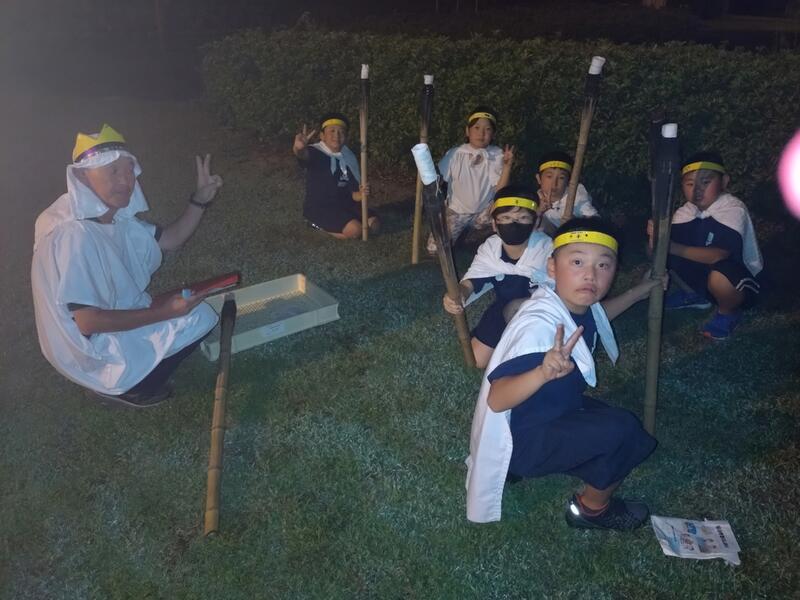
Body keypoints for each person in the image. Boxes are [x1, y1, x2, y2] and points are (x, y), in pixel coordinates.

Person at [466, 217, 662, 529]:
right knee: (625, 431)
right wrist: (542, 372)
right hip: (524, 441)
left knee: (610, 423)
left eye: (603, 265)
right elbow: (497, 399)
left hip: (545, 414)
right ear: (552, 267)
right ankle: (591, 511)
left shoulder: (564, 302)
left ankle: (556, 465)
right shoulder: (540, 327)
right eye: (578, 262)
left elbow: (598, 317)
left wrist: (640, 292)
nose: (590, 275)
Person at [31, 124, 222, 407]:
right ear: (83, 177)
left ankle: (122, 373)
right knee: (200, 318)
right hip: (88, 349)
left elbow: (171, 238)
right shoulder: (75, 234)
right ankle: (131, 388)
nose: (126, 180)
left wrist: (200, 200)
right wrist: (165, 312)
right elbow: (88, 322)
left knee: (188, 310)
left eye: (129, 169)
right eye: (112, 171)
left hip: (99, 329)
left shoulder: (114, 218)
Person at [650, 151, 764, 340]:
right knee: (666, 255)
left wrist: (670, 247)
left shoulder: (732, 208)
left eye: (705, 182)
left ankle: (728, 312)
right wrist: (655, 237)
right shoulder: (686, 212)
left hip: (740, 281)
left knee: (720, 274)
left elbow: (718, 255)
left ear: (724, 182)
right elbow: (659, 251)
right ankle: (694, 295)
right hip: (706, 277)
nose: (697, 190)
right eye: (690, 184)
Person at [443, 185, 553, 369]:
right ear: (494, 224)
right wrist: (459, 293)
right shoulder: (491, 248)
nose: (514, 224)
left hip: (541, 313)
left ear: (535, 223)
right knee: (477, 360)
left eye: (523, 218)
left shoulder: (547, 250)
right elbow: (473, 280)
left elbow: (559, 292)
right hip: (503, 306)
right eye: (506, 218)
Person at [426, 106, 514, 253]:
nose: (481, 133)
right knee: (434, 249)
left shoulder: (496, 155)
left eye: (487, 129)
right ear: (467, 131)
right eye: (477, 128)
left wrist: (507, 167)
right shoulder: (455, 154)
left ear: (493, 134)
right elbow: (437, 180)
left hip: (485, 211)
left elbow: (501, 191)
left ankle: (478, 236)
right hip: (457, 211)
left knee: (508, 218)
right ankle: (461, 234)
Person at [293, 113, 378, 239]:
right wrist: (298, 148)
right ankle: (316, 225)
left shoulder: (348, 157)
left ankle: (350, 226)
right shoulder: (315, 152)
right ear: (322, 136)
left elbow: (353, 194)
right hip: (321, 207)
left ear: (346, 137)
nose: (336, 135)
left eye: (341, 132)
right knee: (356, 231)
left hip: (344, 205)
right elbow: (302, 154)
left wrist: (361, 193)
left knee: (373, 224)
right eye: (332, 131)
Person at [534, 151, 599, 236]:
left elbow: (596, 223)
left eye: (561, 178)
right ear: (539, 179)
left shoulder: (576, 195)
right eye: (549, 177)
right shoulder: (532, 199)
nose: (554, 183)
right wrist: (539, 212)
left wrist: (575, 223)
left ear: (568, 181)